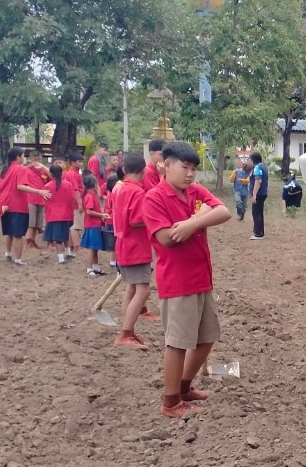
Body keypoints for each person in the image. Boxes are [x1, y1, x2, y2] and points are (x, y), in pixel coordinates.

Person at [142, 140, 233, 418]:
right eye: (185, 167)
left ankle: (183, 386)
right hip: (177, 281)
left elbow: (224, 211)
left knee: (207, 337)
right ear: (167, 165)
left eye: (194, 168)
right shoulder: (154, 198)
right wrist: (202, 215)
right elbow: (167, 237)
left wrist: (193, 222)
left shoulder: (195, 191)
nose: (190, 174)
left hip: (201, 276)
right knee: (178, 342)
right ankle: (170, 402)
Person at [111, 154, 154, 349]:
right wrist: (154, 217)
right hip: (136, 246)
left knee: (132, 288)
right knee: (143, 289)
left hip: (123, 245)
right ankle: (125, 334)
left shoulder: (119, 188)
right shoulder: (137, 192)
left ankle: (128, 331)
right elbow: (136, 220)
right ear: (143, 171)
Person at [0, 147, 50, 266]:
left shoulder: (4, 169)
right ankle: (18, 259)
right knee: (18, 234)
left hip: (5, 204)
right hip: (17, 205)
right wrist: (39, 191)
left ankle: (8, 254)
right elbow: (20, 186)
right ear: (18, 157)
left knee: (9, 232)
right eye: (22, 155)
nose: (23, 158)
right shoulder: (21, 169)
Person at [44, 164, 76, 265]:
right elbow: (72, 199)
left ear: (51, 174)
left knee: (57, 238)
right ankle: (68, 252)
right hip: (66, 213)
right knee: (66, 233)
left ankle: (61, 259)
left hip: (53, 215)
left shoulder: (47, 186)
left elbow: (45, 201)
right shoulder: (68, 184)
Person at [80, 174, 109, 276]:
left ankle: (96, 267)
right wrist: (102, 215)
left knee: (95, 247)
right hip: (92, 225)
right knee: (92, 248)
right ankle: (89, 268)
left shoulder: (90, 196)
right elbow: (89, 211)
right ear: (94, 185)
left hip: (93, 225)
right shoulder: (89, 197)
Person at [25, 153, 52, 250]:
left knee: (38, 224)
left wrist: (44, 167)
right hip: (30, 198)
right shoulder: (26, 170)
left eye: (39, 160)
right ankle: (28, 241)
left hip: (41, 199)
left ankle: (33, 240)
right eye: (35, 160)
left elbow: (52, 177)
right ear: (30, 159)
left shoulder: (43, 170)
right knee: (31, 223)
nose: (37, 162)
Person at [64, 152, 85, 254]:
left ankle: (72, 245)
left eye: (81, 161)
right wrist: (80, 203)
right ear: (72, 163)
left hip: (74, 201)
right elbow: (75, 190)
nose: (81, 163)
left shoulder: (75, 173)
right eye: (79, 161)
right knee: (76, 225)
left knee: (74, 224)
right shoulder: (72, 174)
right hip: (76, 202)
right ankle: (76, 246)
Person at [248, 151, 268, 239]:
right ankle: (259, 232)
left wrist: (254, 195)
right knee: (259, 213)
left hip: (259, 194)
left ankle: (258, 234)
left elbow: (258, 181)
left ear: (253, 160)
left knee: (256, 213)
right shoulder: (263, 166)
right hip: (263, 193)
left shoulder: (258, 167)